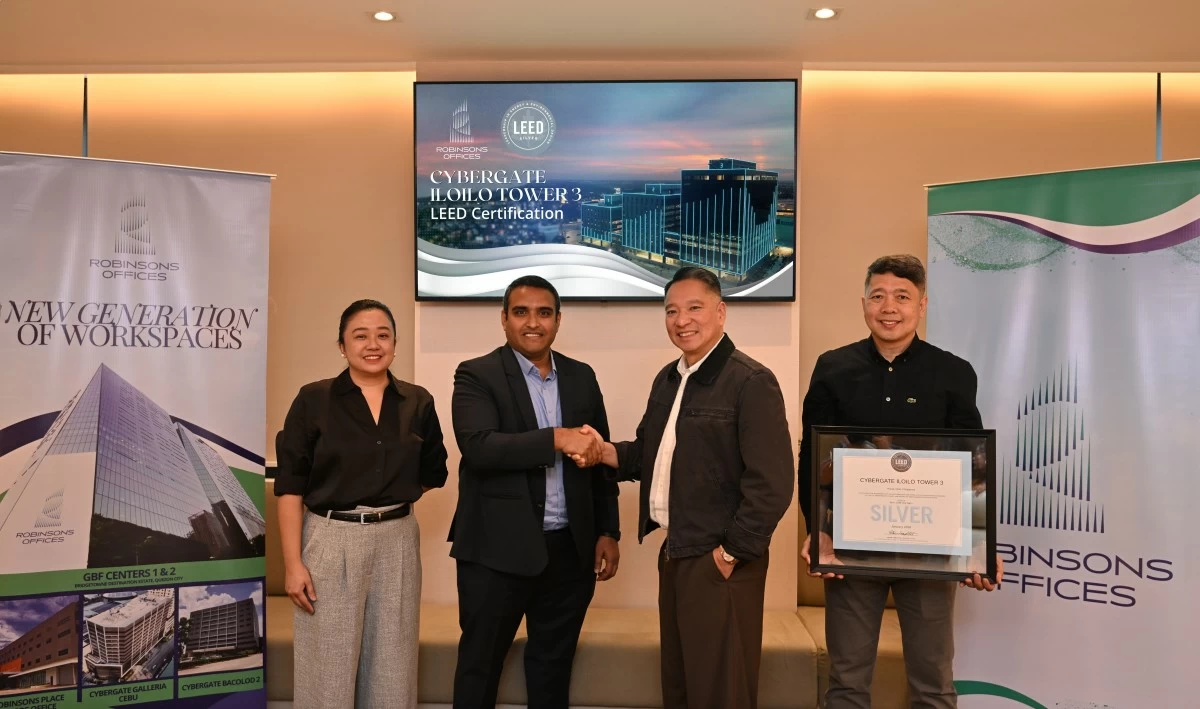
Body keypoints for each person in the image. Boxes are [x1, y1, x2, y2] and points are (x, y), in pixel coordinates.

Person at [582, 266, 794, 709]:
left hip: (720, 560)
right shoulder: (668, 378)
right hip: (675, 552)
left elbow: (772, 484)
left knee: (721, 692)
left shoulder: (751, 381)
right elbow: (648, 454)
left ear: (721, 312)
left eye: (694, 308)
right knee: (679, 687)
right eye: (672, 310)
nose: (682, 320)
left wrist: (731, 553)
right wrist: (602, 452)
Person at [798, 254, 1002, 709]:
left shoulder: (954, 372)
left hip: (930, 553)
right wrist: (820, 529)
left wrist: (980, 544)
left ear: (922, 305)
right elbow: (813, 454)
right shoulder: (832, 368)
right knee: (847, 683)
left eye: (902, 297)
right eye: (878, 296)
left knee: (933, 684)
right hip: (851, 549)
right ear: (864, 303)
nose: (889, 307)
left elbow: (972, 464)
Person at [449, 275, 620, 709]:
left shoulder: (582, 376)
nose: (533, 323)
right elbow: (480, 447)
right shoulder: (476, 374)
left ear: (558, 320)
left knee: (552, 669)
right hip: (495, 553)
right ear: (503, 319)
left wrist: (608, 531)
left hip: (570, 551)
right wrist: (557, 439)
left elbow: (599, 458)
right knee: (479, 667)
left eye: (544, 313)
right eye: (521, 312)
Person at [274, 299, 449, 709]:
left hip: (398, 539)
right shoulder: (313, 399)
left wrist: (385, 502)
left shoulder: (418, 402)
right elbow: (290, 488)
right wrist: (293, 564)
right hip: (330, 540)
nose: (373, 344)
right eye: (361, 335)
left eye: (383, 335)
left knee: (393, 668)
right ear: (342, 345)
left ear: (394, 343)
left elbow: (431, 473)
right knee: (327, 672)